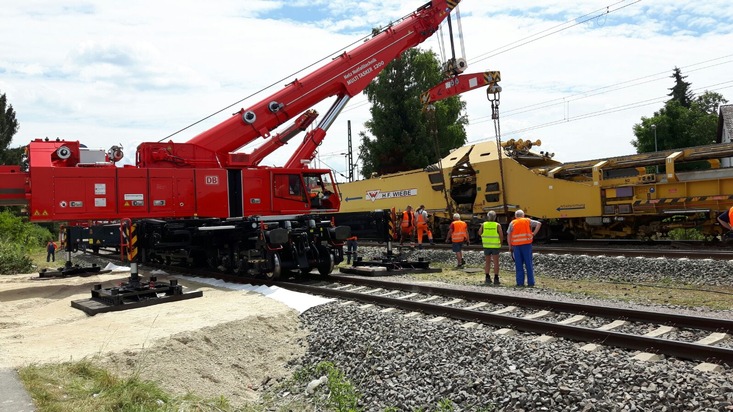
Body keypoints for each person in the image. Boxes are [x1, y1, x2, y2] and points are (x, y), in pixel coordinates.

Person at [507, 209, 542, 287]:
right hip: (527, 245)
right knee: (528, 264)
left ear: (515, 216)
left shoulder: (512, 222)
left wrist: (510, 246)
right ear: (523, 215)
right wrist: (533, 234)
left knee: (518, 265)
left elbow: (509, 235)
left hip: (516, 246)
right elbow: (539, 223)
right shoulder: (527, 220)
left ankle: (520, 283)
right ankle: (531, 283)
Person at [477, 211, 504, 285]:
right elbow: (501, 235)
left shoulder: (484, 224)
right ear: (495, 217)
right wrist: (501, 243)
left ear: (488, 217)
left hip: (486, 246)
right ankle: (496, 278)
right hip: (495, 246)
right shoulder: (497, 225)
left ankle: (487, 277)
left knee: (487, 262)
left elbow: (479, 233)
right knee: (496, 263)